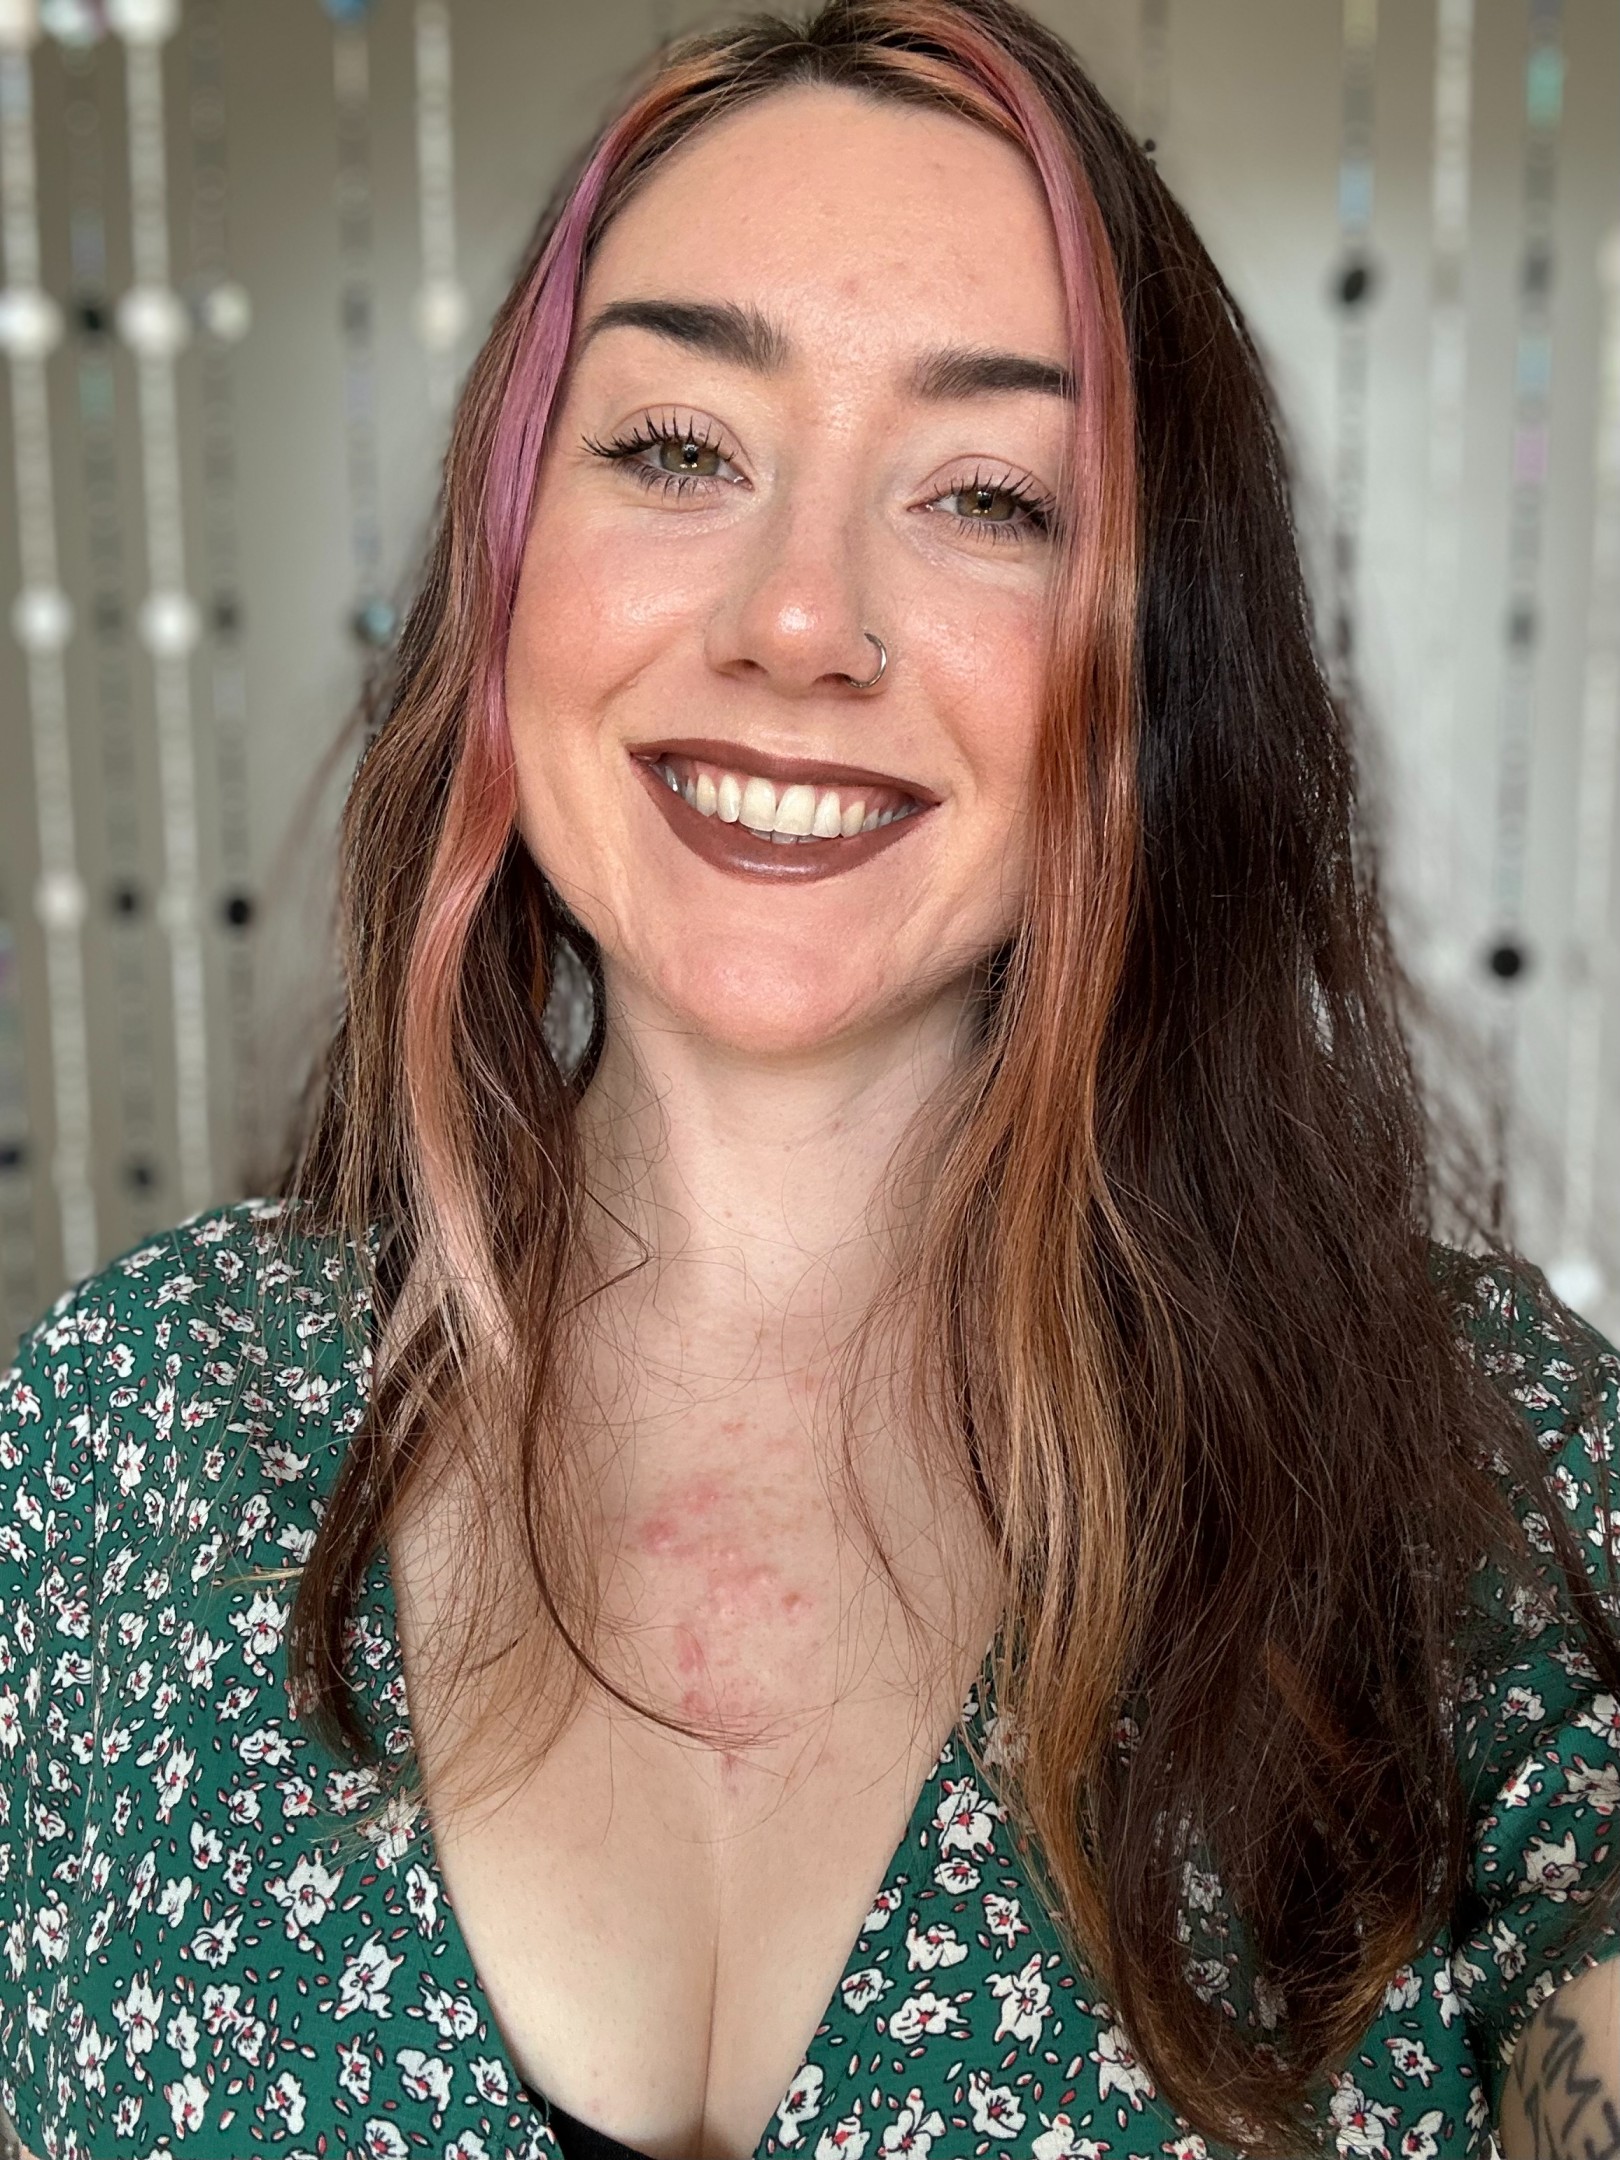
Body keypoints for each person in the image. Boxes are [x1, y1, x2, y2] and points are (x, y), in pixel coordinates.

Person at [3, 0, 1620, 2154]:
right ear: (505, 573)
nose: (797, 622)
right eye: (678, 448)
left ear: (1159, 669)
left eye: (988, 495)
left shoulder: (1471, 1475)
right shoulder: (131, 1421)